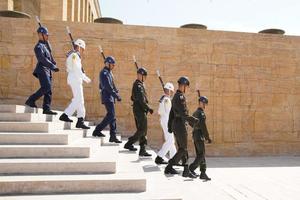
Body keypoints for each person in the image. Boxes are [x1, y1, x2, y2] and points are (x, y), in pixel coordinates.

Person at [164, 76, 198, 178]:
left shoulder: (175, 96)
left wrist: (170, 125)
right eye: (186, 87)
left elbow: (171, 113)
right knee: (183, 149)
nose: (187, 89)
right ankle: (170, 165)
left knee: (183, 148)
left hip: (176, 125)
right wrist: (194, 121)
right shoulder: (180, 97)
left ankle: (186, 170)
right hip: (180, 125)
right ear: (183, 86)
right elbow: (184, 114)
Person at [25, 26, 59, 114]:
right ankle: (31, 100)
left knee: (49, 90)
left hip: (48, 70)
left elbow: (48, 57)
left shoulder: (46, 46)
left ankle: (46, 109)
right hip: (42, 70)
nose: (47, 37)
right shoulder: (38, 47)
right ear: (40, 35)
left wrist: (53, 61)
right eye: (46, 35)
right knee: (46, 87)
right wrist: (52, 66)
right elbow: (42, 59)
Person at [59, 39, 91, 129]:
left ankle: (80, 120)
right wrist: (85, 78)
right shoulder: (74, 55)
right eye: (82, 49)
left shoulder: (74, 55)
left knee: (79, 100)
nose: (83, 51)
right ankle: (65, 115)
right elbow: (77, 69)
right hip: (75, 79)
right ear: (79, 46)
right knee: (78, 100)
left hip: (75, 78)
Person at [124, 67, 154, 157]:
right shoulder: (138, 85)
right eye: (143, 76)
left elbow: (132, 97)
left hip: (138, 109)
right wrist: (148, 108)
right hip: (140, 110)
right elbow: (141, 100)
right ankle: (129, 143)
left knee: (142, 130)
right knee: (143, 130)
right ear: (141, 76)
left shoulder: (138, 84)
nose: (144, 78)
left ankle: (142, 149)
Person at [92, 56, 122, 142]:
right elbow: (108, 87)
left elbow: (112, 85)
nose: (113, 66)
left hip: (110, 97)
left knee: (112, 116)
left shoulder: (109, 73)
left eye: (114, 65)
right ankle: (97, 130)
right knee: (111, 115)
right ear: (107, 64)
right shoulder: (104, 73)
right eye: (112, 64)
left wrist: (116, 92)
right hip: (107, 96)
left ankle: (112, 136)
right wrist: (116, 95)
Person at [189, 96, 212, 181]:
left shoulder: (195, 112)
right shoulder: (201, 113)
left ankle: (203, 173)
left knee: (200, 154)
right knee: (201, 155)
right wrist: (207, 137)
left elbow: (190, 122)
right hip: (199, 135)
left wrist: (196, 126)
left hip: (195, 134)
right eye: (204, 103)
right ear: (201, 103)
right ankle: (191, 169)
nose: (205, 106)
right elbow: (203, 126)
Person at [155, 82, 177, 164]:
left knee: (170, 140)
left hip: (164, 120)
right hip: (167, 121)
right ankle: (159, 157)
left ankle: (174, 159)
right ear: (169, 91)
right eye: (171, 91)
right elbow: (170, 111)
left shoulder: (163, 98)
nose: (171, 93)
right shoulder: (167, 100)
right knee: (170, 140)